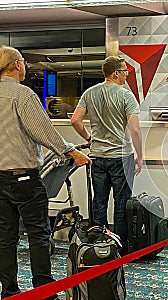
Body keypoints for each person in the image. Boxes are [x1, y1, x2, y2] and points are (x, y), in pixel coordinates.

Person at [0, 46, 91, 299]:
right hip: (24, 178)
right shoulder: (22, 94)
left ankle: (8, 291)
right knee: (38, 234)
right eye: (24, 63)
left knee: (5, 237)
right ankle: (44, 290)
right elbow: (43, 131)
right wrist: (71, 152)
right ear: (17, 65)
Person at [71, 56, 143, 256]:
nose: (128, 74)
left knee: (99, 201)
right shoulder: (126, 96)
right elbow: (135, 130)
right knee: (121, 203)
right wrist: (140, 155)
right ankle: (117, 249)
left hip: (97, 157)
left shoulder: (89, 93)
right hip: (121, 157)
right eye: (125, 70)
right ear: (115, 73)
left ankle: (98, 246)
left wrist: (89, 138)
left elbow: (75, 120)